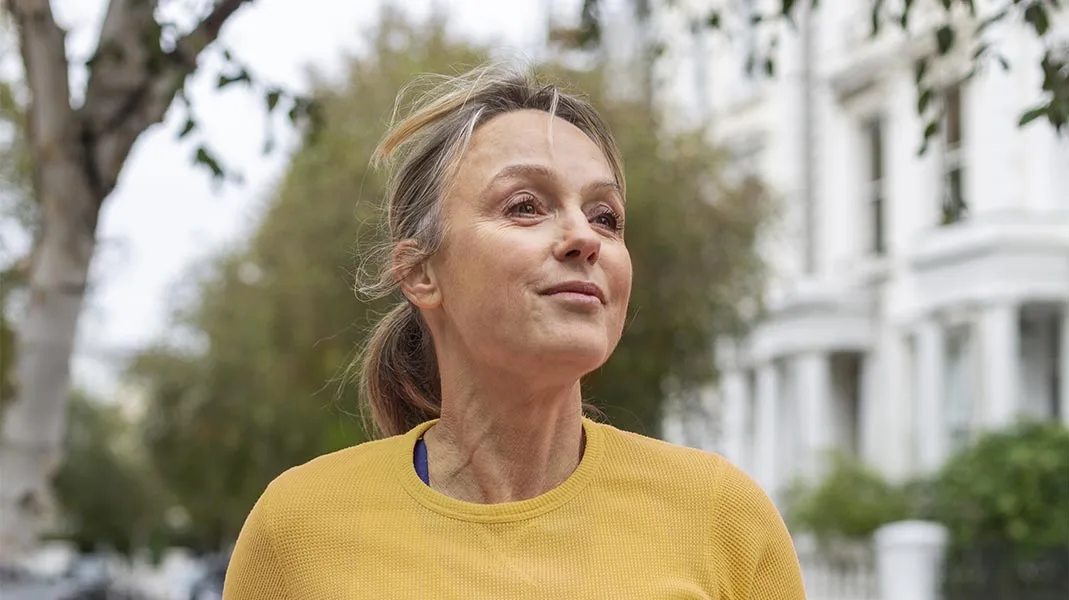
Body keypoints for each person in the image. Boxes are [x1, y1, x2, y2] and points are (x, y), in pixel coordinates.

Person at [222, 63, 806, 599]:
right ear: (421, 273)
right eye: (525, 206)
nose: (586, 237)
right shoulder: (297, 530)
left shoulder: (722, 518)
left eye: (606, 216)